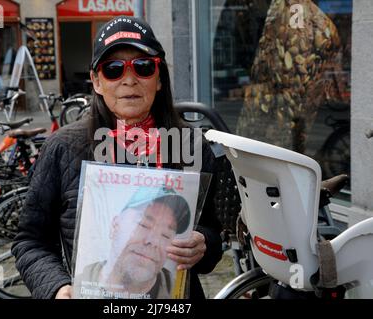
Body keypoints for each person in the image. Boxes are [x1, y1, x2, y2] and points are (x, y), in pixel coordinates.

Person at [12, 15, 226, 299]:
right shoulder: (62, 147)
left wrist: (204, 244)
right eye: (113, 69)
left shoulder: (192, 145)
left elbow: (212, 233)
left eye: (143, 67)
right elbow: (30, 240)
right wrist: (56, 287)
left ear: (159, 79)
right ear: (96, 82)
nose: (129, 80)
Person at [74, 186, 191, 299]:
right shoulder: (74, 289)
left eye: (166, 235)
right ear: (115, 227)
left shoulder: (180, 293)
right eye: (143, 225)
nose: (154, 241)